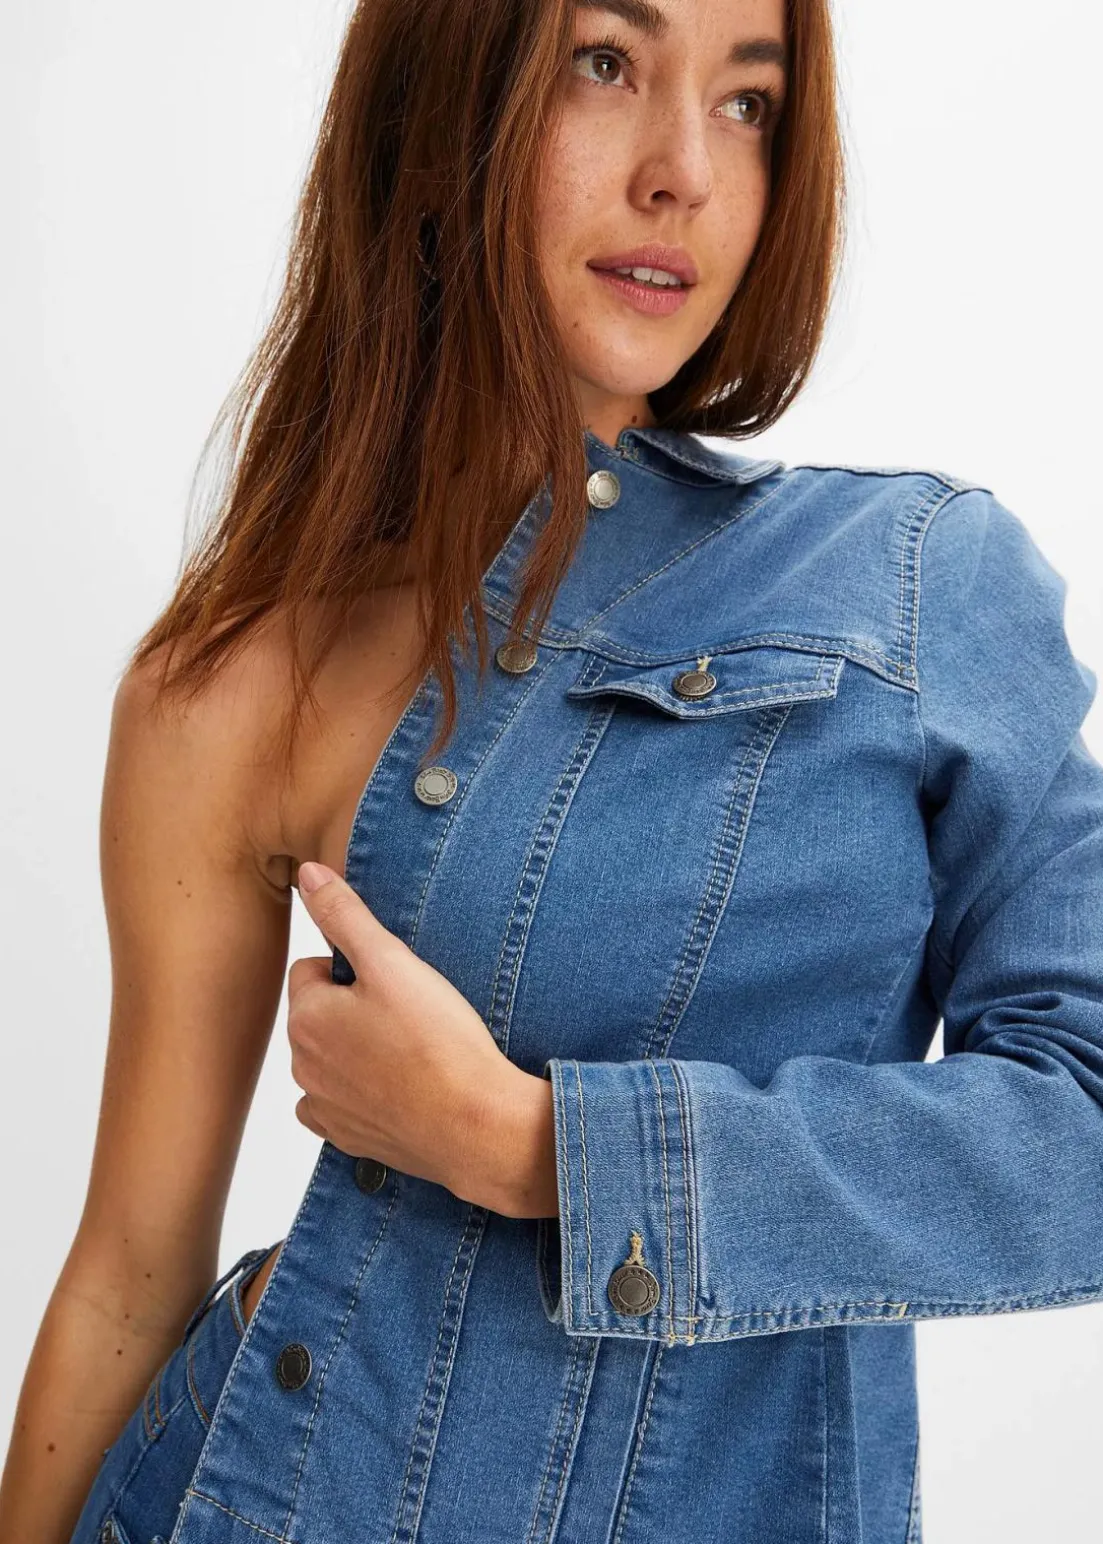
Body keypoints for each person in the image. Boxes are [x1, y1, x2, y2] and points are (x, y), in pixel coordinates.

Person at [3, 0, 1102, 1539]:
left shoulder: (909, 583)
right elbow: (129, 1275)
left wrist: (539, 1152)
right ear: (447, 96)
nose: (682, 172)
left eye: (747, 103)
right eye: (605, 64)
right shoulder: (233, 686)